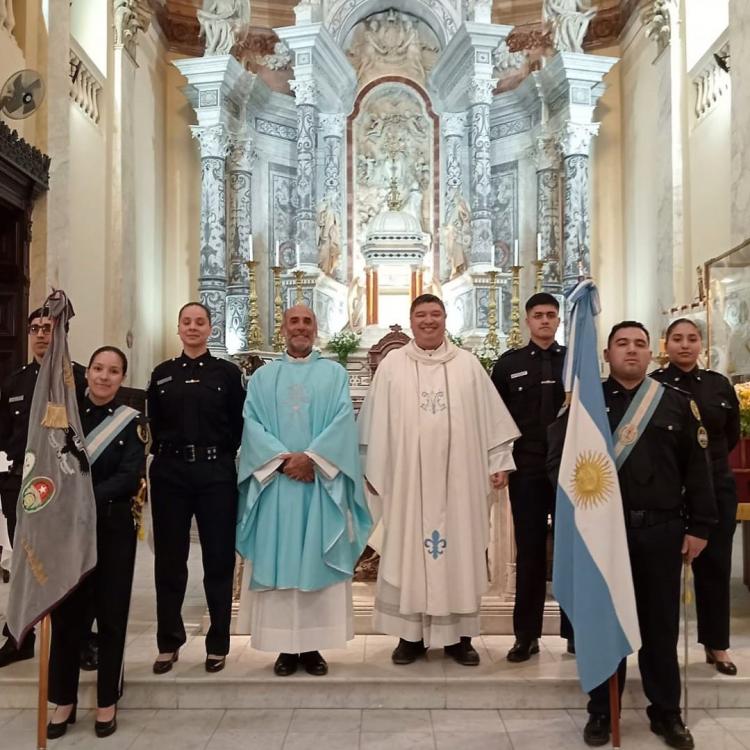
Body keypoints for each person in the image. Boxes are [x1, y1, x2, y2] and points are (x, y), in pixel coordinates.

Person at [548, 321, 716, 750]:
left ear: (651, 353)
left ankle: (666, 713)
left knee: (660, 626)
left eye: (640, 344)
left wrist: (699, 527)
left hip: (660, 531)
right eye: (622, 344)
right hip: (603, 534)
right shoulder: (585, 405)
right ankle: (602, 711)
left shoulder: (676, 404)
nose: (631, 351)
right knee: (603, 623)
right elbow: (557, 461)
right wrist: (581, 507)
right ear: (606, 355)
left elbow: (699, 469)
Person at [358, 294, 520, 666]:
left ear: (446, 319)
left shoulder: (468, 365)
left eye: (435, 314)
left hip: (459, 484)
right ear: (410, 321)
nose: (428, 321)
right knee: (407, 552)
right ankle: (410, 636)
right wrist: (372, 468)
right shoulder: (392, 365)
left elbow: (492, 422)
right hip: (406, 484)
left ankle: (458, 638)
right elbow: (372, 427)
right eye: (421, 315)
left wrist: (498, 461)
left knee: (459, 554)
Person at [236, 305, 372, 676]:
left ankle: (312, 646)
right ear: (283, 329)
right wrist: (283, 461)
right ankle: (284, 647)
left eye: (307, 321)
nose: (300, 328)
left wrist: (313, 459)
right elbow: (252, 424)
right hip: (277, 485)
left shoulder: (333, 374)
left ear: (316, 329)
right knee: (280, 562)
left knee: (315, 559)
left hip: (318, 486)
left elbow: (344, 421)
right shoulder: (264, 378)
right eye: (293, 321)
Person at [47, 346, 147, 739]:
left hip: (112, 528)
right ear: (86, 373)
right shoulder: (62, 418)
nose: (105, 377)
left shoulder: (132, 421)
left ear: (122, 378)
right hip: (68, 530)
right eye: (99, 369)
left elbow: (130, 474)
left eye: (114, 371)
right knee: (67, 615)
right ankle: (63, 699)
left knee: (111, 614)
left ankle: (107, 699)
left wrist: (87, 498)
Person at [147, 302, 245, 674]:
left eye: (199, 322)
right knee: (169, 561)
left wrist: (217, 455)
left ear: (210, 328)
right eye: (186, 321)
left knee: (217, 560)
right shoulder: (162, 374)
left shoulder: (227, 373)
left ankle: (218, 641)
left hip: (215, 471)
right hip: (170, 472)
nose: (193, 327)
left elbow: (238, 425)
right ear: (178, 328)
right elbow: (154, 423)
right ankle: (168, 642)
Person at [652, 318, 740, 676]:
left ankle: (716, 645)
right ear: (666, 344)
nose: (684, 345)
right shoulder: (653, 386)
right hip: (669, 488)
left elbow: (729, 436)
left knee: (715, 566)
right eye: (677, 339)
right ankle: (661, 648)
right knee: (662, 574)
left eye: (691, 339)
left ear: (701, 344)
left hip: (715, 486)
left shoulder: (718, 386)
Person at [0, 308, 86, 668]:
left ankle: (74, 638)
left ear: (61, 333)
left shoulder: (77, 379)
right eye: (34, 328)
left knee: (66, 563)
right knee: (24, 565)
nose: (40, 335)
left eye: (48, 329)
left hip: (62, 487)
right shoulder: (15, 382)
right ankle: (19, 636)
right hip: (20, 486)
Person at [490, 293, 571, 662]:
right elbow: (495, 418)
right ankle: (526, 635)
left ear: (558, 321)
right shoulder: (510, 365)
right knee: (530, 553)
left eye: (550, 315)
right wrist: (499, 463)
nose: (544, 321)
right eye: (537, 315)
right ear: (527, 320)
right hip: (527, 469)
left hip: (571, 470)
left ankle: (575, 633)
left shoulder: (573, 361)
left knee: (571, 552)